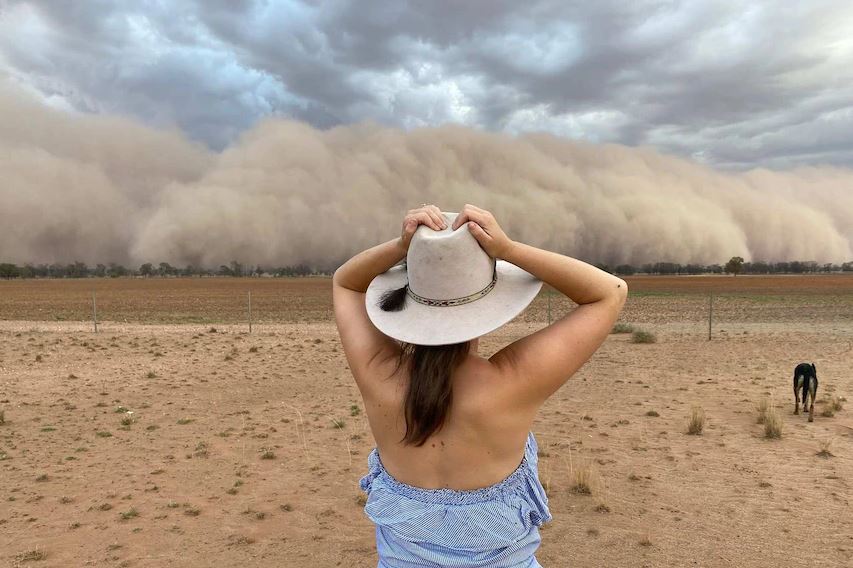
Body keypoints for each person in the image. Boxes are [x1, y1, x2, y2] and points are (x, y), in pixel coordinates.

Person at [333, 204, 628, 567]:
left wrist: (402, 245)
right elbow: (609, 292)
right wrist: (508, 249)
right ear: (488, 302)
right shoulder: (513, 381)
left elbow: (345, 283)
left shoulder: (379, 374)